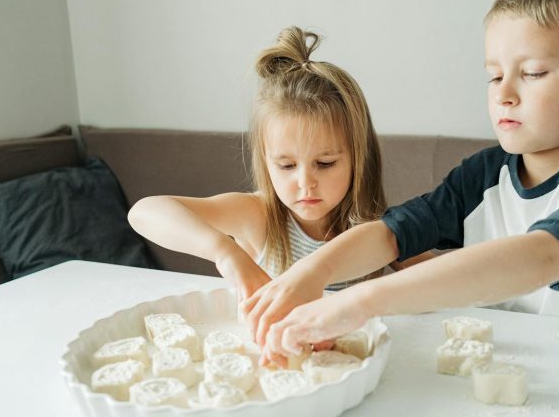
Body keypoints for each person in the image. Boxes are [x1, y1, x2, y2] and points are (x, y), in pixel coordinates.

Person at [248, 0, 559, 364]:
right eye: (494, 76)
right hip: (505, 368)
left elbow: (540, 257)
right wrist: (311, 273)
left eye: (533, 73)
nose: (505, 94)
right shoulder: (484, 173)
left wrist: (360, 301)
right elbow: (392, 234)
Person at [129, 26, 426, 345]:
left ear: (359, 158)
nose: (305, 183)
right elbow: (143, 212)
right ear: (265, 160)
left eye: (325, 163)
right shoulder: (259, 215)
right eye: (285, 165)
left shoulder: (376, 231)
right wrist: (225, 252)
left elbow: (454, 283)